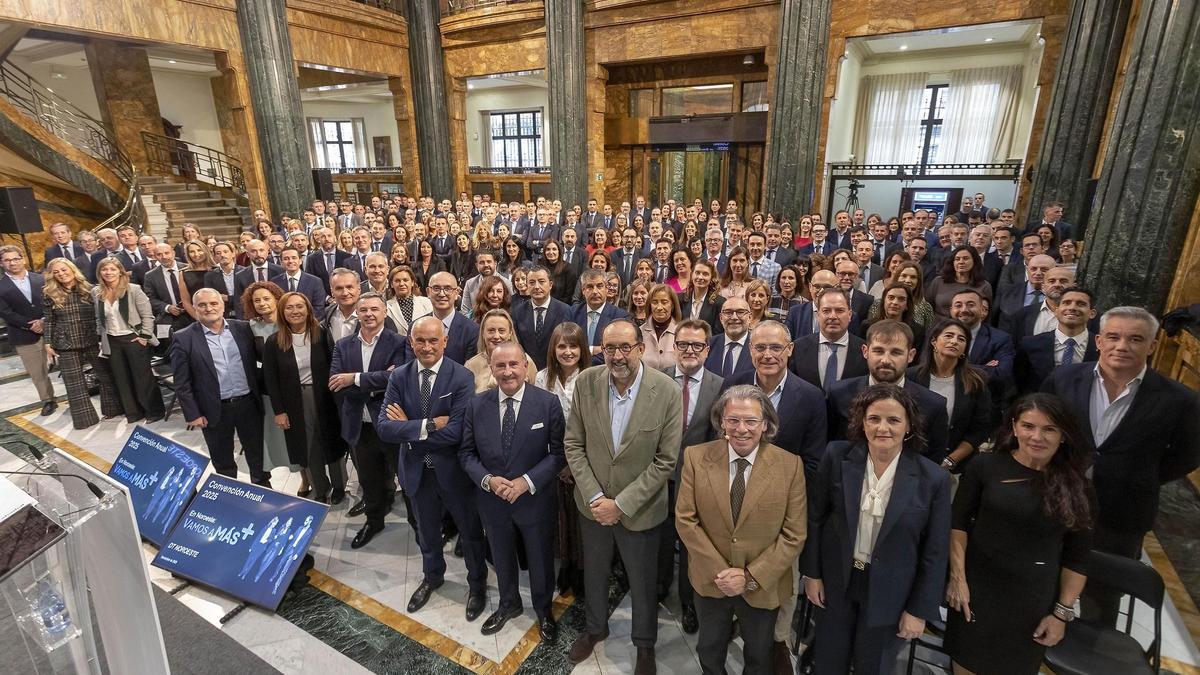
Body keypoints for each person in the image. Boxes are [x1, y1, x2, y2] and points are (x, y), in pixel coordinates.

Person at [1042, 307, 1200, 624]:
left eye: (1135, 339)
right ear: (1099, 341)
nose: (1122, 346)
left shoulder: (1179, 400)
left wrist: (1141, 475)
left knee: (1101, 597)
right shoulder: (1064, 379)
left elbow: (1188, 454)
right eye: (1113, 337)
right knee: (1044, 577)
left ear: (1152, 346)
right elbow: (1040, 425)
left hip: (1122, 513)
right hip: (1057, 500)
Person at [802, 384, 951, 675]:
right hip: (837, 581)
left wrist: (919, 609)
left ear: (909, 426)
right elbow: (816, 518)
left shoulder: (932, 479)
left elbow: (935, 551)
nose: (883, 427)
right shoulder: (836, 456)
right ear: (862, 421)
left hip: (891, 592)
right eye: (874, 419)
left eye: (893, 420)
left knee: (874, 666)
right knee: (829, 661)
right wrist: (812, 574)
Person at [944, 394, 1093, 674]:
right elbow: (958, 524)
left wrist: (1061, 613)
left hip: (1031, 601)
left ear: (1063, 435)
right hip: (976, 589)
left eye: (1049, 429)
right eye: (1028, 426)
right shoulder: (984, 466)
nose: (1037, 436)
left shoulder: (1078, 486)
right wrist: (957, 578)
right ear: (1014, 427)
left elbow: (1077, 558)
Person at [565, 319, 682, 673]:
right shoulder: (586, 382)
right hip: (594, 507)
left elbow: (665, 461)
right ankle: (595, 628)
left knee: (643, 581)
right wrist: (596, 497)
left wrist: (622, 504)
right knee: (595, 574)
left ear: (640, 348)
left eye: (624, 348)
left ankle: (644, 644)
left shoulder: (666, 391)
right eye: (609, 348)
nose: (617, 356)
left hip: (641, 511)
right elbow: (574, 444)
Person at [676, 384, 808, 675]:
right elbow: (685, 519)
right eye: (733, 420)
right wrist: (722, 573)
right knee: (709, 650)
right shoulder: (696, 457)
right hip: (712, 579)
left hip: (763, 583)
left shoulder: (790, 466)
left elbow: (794, 534)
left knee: (759, 656)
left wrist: (749, 577)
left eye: (751, 421)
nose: (741, 429)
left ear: (766, 424)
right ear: (721, 421)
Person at [376, 316, 490, 619]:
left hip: (454, 472)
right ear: (411, 342)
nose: (426, 346)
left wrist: (410, 431)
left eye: (433, 340)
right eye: (420, 341)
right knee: (426, 532)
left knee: (470, 533)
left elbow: (458, 432)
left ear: (445, 341)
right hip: (416, 471)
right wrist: (428, 425)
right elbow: (385, 428)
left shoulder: (461, 377)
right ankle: (433, 576)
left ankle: (477, 584)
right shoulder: (399, 376)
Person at [459, 342, 566, 641]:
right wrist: (488, 480)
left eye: (513, 365)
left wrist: (526, 482)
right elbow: (466, 454)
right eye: (500, 366)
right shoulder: (476, 405)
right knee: (502, 555)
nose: (507, 372)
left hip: (533, 499)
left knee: (540, 558)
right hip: (492, 501)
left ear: (525, 366)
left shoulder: (547, 403)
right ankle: (509, 603)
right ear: (491, 369)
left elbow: (558, 454)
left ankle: (544, 609)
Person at [659, 319, 723, 633]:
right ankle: (657, 587)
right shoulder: (657, 380)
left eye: (697, 345)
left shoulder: (719, 385)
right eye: (683, 344)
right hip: (658, 478)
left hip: (696, 482)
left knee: (690, 546)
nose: (689, 351)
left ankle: (688, 602)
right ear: (675, 346)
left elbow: (717, 438)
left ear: (707, 350)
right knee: (658, 537)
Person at [170, 288, 269, 486]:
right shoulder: (184, 337)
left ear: (223, 306)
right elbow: (182, 382)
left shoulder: (243, 328)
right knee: (222, 457)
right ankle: (228, 490)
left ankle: (263, 487)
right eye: (202, 305)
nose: (209, 308)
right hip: (213, 408)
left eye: (214, 303)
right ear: (195, 309)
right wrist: (193, 414)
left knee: (257, 452)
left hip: (248, 403)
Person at [263, 292, 346, 504]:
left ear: (308, 309)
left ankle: (338, 486)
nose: (295, 311)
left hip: (323, 397)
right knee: (307, 447)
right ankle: (320, 487)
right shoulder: (274, 341)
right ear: (282, 311)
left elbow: (334, 365)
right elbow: (271, 379)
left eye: (300, 306)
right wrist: (279, 411)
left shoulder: (321, 333)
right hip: (293, 401)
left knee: (331, 441)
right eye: (289, 307)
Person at [828, 320, 951, 462]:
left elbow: (932, 461)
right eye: (878, 351)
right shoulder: (839, 394)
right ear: (865, 351)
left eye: (896, 352)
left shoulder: (933, 406)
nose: (886, 360)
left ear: (910, 355)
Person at [534, 322, 589, 598]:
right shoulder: (543, 379)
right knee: (559, 520)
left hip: (585, 462)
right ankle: (564, 566)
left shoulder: (592, 377)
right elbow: (539, 425)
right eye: (562, 346)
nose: (568, 352)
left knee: (582, 522)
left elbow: (593, 427)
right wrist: (557, 463)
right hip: (553, 460)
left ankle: (581, 570)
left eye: (574, 346)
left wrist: (575, 464)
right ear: (553, 349)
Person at [42, 259, 121, 428]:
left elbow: (101, 315)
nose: (61, 274)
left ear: (72, 269)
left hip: (92, 337)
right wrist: (47, 342)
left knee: (105, 375)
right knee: (74, 383)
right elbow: (49, 320)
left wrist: (103, 337)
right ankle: (84, 420)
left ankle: (113, 409)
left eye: (64, 270)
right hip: (65, 342)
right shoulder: (49, 293)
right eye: (56, 272)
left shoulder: (90, 289)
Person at [908, 318, 994, 473]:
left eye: (961, 339)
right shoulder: (911, 377)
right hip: (912, 461)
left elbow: (979, 429)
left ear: (964, 349)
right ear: (934, 341)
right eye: (948, 336)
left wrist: (950, 461)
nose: (954, 341)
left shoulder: (975, 381)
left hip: (955, 466)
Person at [92, 257, 164, 422]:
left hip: (134, 338)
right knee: (121, 379)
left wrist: (144, 337)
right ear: (99, 273)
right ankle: (134, 413)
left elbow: (147, 315)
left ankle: (154, 412)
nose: (108, 273)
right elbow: (99, 319)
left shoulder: (133, 289)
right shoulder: (97, 292)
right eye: (104, 270)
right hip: (112, 340)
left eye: (112, 269)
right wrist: (101, 339)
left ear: (120, 271)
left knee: (142, 378)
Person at [241, 282, 293, 479]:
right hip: (267, 390)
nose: (261, 303)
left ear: (277, 299)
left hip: (294, 387)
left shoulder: (290, 321)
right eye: (256, 300)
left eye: (266, 298)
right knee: (277, 437)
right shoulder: (250, 328)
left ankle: (305, 478)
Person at [0, 246, 56, 415]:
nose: (12, 263)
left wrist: (44, 320)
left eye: (15, 259)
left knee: (67, 365)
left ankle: (76, 395)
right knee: (37, 371)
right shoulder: (1, 286)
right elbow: (5, 312)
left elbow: (53, 299)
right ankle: (48, 400)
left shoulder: (41, 278)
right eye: (7, 260)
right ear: (1, 263)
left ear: (22, 259)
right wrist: (30, 324)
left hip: (52, 327)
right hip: (23, 333)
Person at [1015, 286, 1099, 394]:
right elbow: (1019, 383)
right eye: (1066, 303)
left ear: (1092, 313)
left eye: (1081, 304)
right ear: (1056, 310)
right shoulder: (1030, 344)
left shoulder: (1102, 347)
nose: (1072, 308)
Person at [788, 287, 868, 391]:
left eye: (839, 310)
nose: (833, 316)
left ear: (849, 315)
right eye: (826, 311)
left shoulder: (865, 351)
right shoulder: (798, 348)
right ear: (818, 315)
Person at [511, 266, 571, 371]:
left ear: (550, 284)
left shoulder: (566, 311)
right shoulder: (517, 312)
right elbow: (518, 345)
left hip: (558, 370)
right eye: (532, 282)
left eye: (541, 281)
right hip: (527, 371)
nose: (537, 287)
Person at [465, 309, 537, 392]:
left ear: (510, 333)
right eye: (491, 331)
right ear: (482, 333)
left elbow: (535, 395)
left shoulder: (525, 361)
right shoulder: (471, 366)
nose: (496, 336)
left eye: (501, 331)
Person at [421, 271, 479, 364]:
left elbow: (469, 370)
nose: (442, 294)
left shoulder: (472, 330)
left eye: (448, 289)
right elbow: (411, 366)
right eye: (436, 288)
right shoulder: (416, 327)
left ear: (456, 293)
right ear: (428, 292)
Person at [926, 246, 993, 318]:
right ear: (953, 262)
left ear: (974, 261)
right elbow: (927, 308)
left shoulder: (984, 286)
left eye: (965, 258)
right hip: (939, 326)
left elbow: (986, 315)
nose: (961, 262)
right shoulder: (938, 281)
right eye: (957, 259)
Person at [704, 296, 754, 379]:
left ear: (749, 317)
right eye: (728, 312)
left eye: (740, 312)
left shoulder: (758, 347)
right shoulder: (708, 344)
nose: (734, 317)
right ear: (721, 318)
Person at [270, 247, 326, 313]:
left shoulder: (315, 281)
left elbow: (319, 308)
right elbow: (275, 306)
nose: (290, 261)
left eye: (294, 258)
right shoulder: (275, 282)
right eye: (286, 259)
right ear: (281, 263)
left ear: (300, 261)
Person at [640, 283, 680, 370]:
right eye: (654, 302)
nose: (659, 307)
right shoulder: (639, 332)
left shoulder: (681, 332)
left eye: (664, 302)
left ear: (672, 305)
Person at [386, 265, 433, 336]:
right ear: (392, 284)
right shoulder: (386, 307)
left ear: (412, 282)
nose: (401, 284)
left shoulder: (426, 302)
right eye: (397, 281)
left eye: (405, 280)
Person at [678, 259, 724, 331]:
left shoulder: (719, 303)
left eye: (705, 274)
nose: (700, 277)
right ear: (692, 274)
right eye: (697, 273)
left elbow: (717, 333)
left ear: (712, 277)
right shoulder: (680, 299)